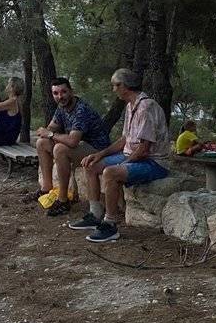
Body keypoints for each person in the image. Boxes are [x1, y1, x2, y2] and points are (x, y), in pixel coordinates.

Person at [68, 68, 171, 243]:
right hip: (135, 156)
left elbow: (144, 149)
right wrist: (99, 154)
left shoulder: (146, 107)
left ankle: (111, 224)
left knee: (110, 173)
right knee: (91, 165)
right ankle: (95, 214)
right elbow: (125, 139)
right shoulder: (131, 106)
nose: (113, 89)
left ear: (126, 86)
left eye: (115, 85)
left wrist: (122, 165)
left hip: (153, 162)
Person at [33, 77, 112, 216]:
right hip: (82, 146)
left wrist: (51, 134)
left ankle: (63, 200)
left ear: (71, 91)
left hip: (97, 149)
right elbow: (51, 127)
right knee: (42, 143)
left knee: (59, 149)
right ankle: (46, 188)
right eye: (55, 93)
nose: (60, 96)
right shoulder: (61, 107)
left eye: (63, 92)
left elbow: (73, 141)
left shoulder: (81, 110)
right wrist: (50, 133)